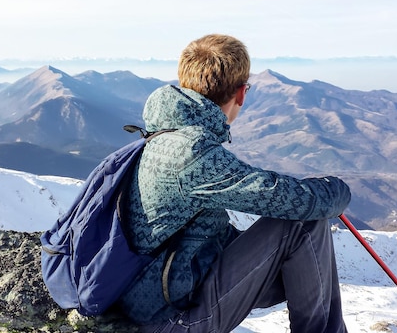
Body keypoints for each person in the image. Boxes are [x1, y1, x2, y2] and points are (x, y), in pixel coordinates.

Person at [116, 34, 351, 333]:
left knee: (296, 252)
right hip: (173, 320)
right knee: (303, 223)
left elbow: (198, 233)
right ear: (241, 94)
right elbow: (295, 200)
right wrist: (338, 189)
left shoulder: (161, 134)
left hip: (158, 300)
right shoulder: (192, 153)